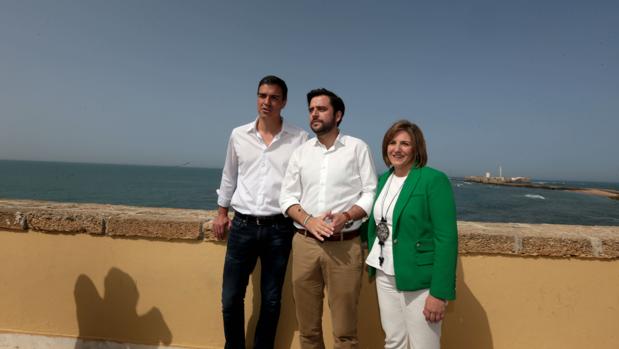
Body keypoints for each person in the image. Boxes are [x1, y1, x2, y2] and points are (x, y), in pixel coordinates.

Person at [214, 75, 309, 349]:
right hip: (242, 226)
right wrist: (221, 213)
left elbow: (304, 183)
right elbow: (229, 176)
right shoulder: (238, 135)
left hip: (280, 229)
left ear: (284, 102)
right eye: (262, 95)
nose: (266, 102)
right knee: (231, 297)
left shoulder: (299, 138)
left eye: (274, 97)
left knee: (271, 299)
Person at [279, 88, 377, 349]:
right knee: (307, 330)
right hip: (305, 245)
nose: (314, 114)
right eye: (311, 109)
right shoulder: (301, 153)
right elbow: (287, 197)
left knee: (345, 333)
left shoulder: (357, 148)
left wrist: (346, 215)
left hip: (345, 247)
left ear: (338, 115)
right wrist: (309, 220)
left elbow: (370, 192)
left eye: (321, 109)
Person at [365, 120, 458, 349]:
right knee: (394, 341)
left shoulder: (433, 180)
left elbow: (446, 238)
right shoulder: (384, 179)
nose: (397, 149)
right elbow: (378, 221)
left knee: (424, 345)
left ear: (416, 149)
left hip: (419, 280)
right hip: (384, 272)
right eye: (392, 142)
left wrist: (439, 293)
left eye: (405, 143)